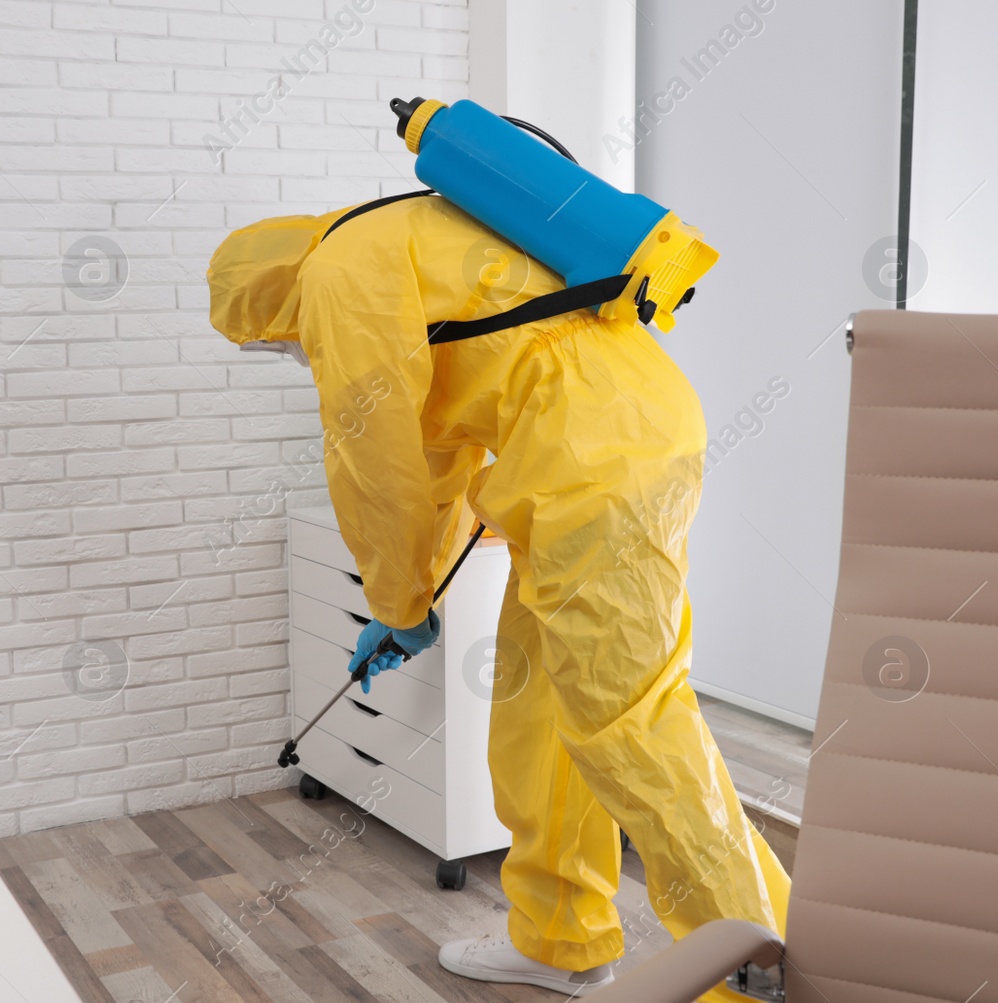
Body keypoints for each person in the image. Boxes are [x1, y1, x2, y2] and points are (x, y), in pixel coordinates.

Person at [207, 193, 790, 1000]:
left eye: (277, 344)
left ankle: (773, 967)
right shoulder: (395, 234)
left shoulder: (338, 275)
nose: (294, 354)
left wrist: (401, 604)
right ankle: (562, 939)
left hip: (592, 467)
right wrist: (404, 600)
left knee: (634, 725)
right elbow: (432, 450)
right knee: (539, 710)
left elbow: (374, 460)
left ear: (271, 304)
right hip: (599, 451)